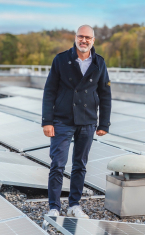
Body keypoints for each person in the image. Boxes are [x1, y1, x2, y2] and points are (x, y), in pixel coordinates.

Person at [42, 24, 111, 218]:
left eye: (88, 38)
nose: (84, 40)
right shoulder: (61, 60)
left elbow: (105, 94)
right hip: (62, 120)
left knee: (80, 165)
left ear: (93, 41)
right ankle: (54, 208)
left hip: (87, 121)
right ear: (75, 38)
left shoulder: (99, 62)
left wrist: (103, 123)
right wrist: (47, 121)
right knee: (57, 164)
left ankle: (74, 205)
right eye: (81, 37)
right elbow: (49, 91)